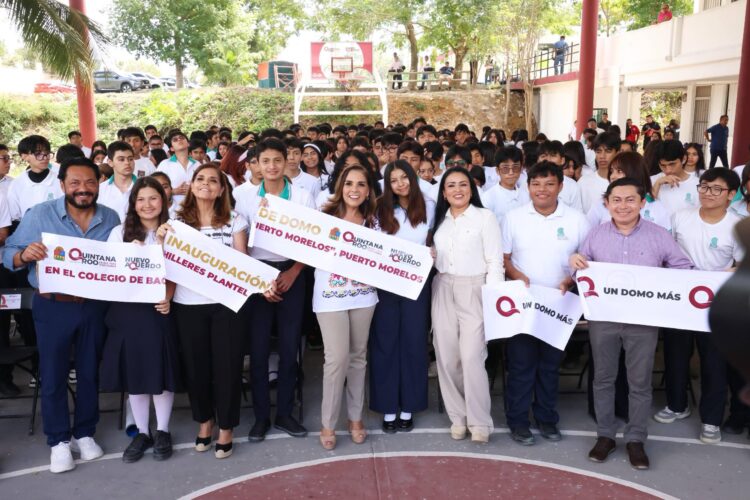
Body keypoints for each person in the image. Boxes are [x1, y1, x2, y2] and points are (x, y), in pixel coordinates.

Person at [3, 157, 120, 473]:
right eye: (75, 183)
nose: (83, 189)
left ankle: (85, 433)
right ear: (62, 184)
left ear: (99, 184)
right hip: (52, 304)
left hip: (94, 305)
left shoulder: (110, 218)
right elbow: (7, 252)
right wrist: (23, 254)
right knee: (53, 374)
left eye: (90, 182)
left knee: (89, 371)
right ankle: (58, 441)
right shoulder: (40, 214)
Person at [570, 177, 693, 470]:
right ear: (606, 203)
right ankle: (605, 436)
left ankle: (636, 439)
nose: (622, 205)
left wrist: (660, 287)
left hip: (643, 321)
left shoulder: (659, 236)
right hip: (604, 319)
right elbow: (581, 271)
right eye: (616, 200)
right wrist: (575, 262)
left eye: (630, 199)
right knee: (603, 379)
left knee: (639, 382)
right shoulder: (596, 235)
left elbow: (684, 268)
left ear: (642, 202)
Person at [157, 163, 248, 460]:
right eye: (200, 179)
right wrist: (160, 239)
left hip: (227, 306)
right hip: (188, 305)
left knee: (227, 368)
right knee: (196, 368)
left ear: (222, 189)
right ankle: (205, 422)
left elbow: (243, 264)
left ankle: (227, 427)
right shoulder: (174, 221)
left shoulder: (235, 220)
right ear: (191, 185)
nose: (205, 184)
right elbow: (164, 262)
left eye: (213, 180)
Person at [502, 162, 590, 446]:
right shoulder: (513, 218)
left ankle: (547, 418)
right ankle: (518, 421)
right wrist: (518, 277)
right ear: (528, 187)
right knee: (521, 364)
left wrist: (570, 280)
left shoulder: (577, 220)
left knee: (550, 366)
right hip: (523, 304)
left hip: (560, 303)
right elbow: (504, 258)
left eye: (550, 183)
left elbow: (587, 260)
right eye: (536, 184)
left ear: (561, 187)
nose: (542, 190)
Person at [655, 168, 742, 444]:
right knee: (676, 355)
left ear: (731, 194)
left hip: (717, 305)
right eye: (704, 186)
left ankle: (711, 420)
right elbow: (665, 252)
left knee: (714, 363)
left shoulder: (738, 226)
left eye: (717, 189)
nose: (708, 193)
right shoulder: (681, 217)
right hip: (680, 300)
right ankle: (676, 405)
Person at [235, 138, 314, 442]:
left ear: (287, 161)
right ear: (255, 163)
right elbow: (239, 242)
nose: (271, 166)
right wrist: (258, 280)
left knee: (290, 348)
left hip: (292, 273)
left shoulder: (302, 196)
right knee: (257, 349)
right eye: (265, 161)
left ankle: (284, 413)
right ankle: (260, 417)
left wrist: (294, 271)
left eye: (277, 160)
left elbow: (312, 241)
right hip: (256, 275)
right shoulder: (243, 196)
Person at [101, 177, 179, 463]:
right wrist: (129, 255)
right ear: (133, 203)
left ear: (164, 201)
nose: (147, 205)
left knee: (160, 369)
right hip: (128, 311)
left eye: (153, 198)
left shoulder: (175, 230)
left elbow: (182, 271)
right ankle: (143, 432)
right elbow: (110, 272)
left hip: (160, 308)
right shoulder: (118, 232)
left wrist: (168, 297)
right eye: (141, 199)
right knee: (135, 372)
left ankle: (163, 430)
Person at [431, 167, 503, 444]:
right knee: (447, 357)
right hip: (443, 287)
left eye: (463, 184)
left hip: (475, 288)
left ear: (471, 190)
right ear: (444, 192)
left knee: (472, 357)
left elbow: (495, 261)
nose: (457, 190)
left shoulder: (485, 217)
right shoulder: (440, 220)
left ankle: (480, 421)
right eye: (451, 185)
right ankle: (458, 417)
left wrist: (493, 299)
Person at [315, 164, 380, 450]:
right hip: (329, 297)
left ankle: (355, 418)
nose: (354, 189)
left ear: (368, 191)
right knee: (336, 359)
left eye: (361, 184)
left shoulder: (374, 222)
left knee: (358, 357)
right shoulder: (322, 217)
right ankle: (328, 422)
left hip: (364, 297)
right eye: (349, 183)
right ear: (341, 187)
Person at [370, 161, 433, 433]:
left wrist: (433, 250)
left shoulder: (429, 205)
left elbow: (433, 239)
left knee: (414, 342)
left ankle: (409, 406)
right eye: (393, 180)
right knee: (385, 343)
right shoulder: (378, 208)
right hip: (385, 283)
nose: (400, 184)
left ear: (413, 177)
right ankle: (387, 407)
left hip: (417, 283)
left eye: (404, 177)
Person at [587, 151, 672, 231]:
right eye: (612, 171)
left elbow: (665, 239)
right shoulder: (601, 205)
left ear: (635, 173)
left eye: (619, 171)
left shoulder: (656, 207)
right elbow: (589, 235)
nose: (612, 176)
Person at [8, 135, 63, 221]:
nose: (45, 157)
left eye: (47, 153)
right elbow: (15, 217)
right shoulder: (16, 185)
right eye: (38, 154)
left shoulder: (60, 180)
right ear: (24, 156)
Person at [480, 146, 529, 227]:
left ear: (521, 169)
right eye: (505, 168)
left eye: (515, 168)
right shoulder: (488, 198)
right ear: (497, 171)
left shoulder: (526, 195)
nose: (511, 172)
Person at [652, 140, 699, 215]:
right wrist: (657, 184)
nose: (668, 170)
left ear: (684, 159)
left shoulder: (698, 185)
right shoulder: (652, 180)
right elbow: (643, 207)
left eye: (672, 164)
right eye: (663, 165)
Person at [578, 132, 620, 213]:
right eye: (598, 151)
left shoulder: (625, 183)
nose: (602, 156)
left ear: (617, 153)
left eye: (608, 151)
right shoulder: (583, 182)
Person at [156, 130, 199, 206]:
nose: (179, 140)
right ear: (172, 148)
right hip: (173, 210)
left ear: (188, 143)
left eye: (181, 138)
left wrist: (193, 189)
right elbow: (155, 187)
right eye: (175, 140)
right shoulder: (165, 164)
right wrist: (173, 191)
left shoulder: (197, 164)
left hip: (195, 207)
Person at [97, 141, 137, 222]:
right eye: (121, 159)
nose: (127, 163)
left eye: (130, 159)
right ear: (110, 162)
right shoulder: (100, 189)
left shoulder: (144, 187)